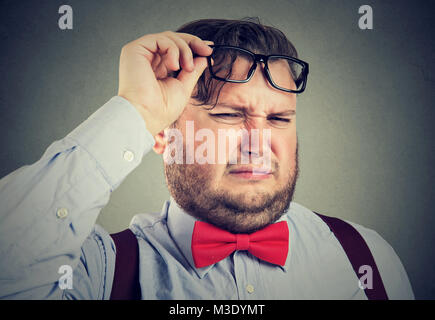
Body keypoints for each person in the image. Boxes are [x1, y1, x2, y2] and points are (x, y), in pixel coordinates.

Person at [0, 18, 414, 300]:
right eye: (230, 115)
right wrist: (137, 112)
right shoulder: (96, 272)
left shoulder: (367, 258)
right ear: (163, 134)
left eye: (279, 118)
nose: (258, 143)